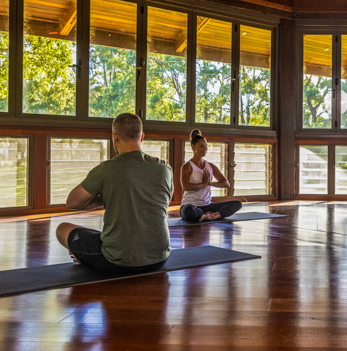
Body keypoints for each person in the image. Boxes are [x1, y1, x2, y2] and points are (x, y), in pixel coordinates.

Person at [55, 113, 174, 274]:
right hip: (159, 258)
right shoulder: (164, 168)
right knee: (104, 234)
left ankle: (85, 256)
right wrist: (110, 196)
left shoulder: (106, 169)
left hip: (118, 261)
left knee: (62, 229)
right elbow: (165, 200)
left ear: (115, 137)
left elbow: (73, 203)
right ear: (142, 136)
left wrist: (104, 197)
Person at [180, 129, 242, 222]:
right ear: (193, 148)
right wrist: (204, 184)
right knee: (189, 211)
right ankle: (204, 214)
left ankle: (214, 216)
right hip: (191, 205)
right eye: (201, 146)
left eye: (206, 146)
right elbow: (186, 187)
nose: (205, 149)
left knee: (237, 204)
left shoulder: (210, 166)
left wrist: (209, 183)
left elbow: (226, 183)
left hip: (207, 205)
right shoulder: (187, 166)